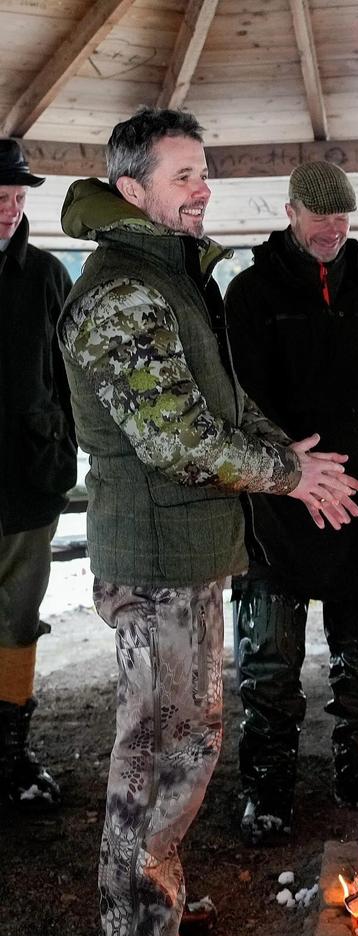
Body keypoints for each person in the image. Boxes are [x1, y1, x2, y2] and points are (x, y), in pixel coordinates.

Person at [57, 109, 358, 936]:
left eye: (204, 173)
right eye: (184, 175)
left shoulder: (174, 279)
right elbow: (177, 438)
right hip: (153, 559)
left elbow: (225, 407)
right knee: (154, 757)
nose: (202, 190)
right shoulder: (121, 292)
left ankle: (154, 898)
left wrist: (296, 459)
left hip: (189, 556)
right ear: (131, 190)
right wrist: (288, 474)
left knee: (188, 745)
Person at [224, 160, 358, 846]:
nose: (331, 230)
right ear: (290, 212)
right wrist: (292, 471)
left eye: (342, 219)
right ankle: (268, 785)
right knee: (270, 660)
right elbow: (241, 400)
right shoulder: (250, 293)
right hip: (277, 502)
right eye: (319, 218)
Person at [0, 139, 76, 810]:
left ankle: (10, 756)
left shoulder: (49, 276)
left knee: (17, 621)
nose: (8, 211)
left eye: (17, 200)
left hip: (29, 480)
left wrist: (65, 455)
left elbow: (70, 379)